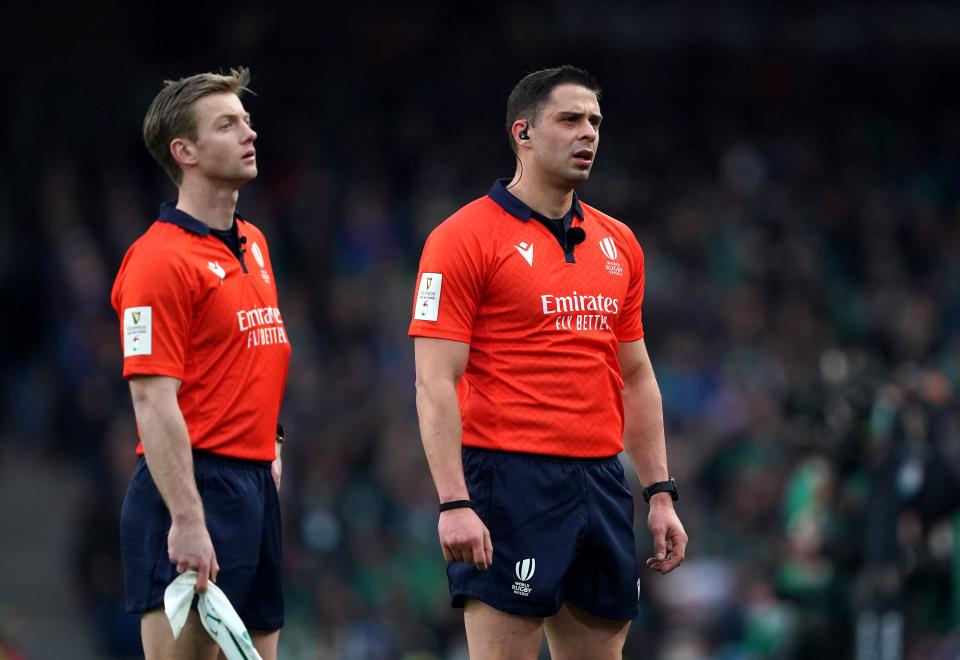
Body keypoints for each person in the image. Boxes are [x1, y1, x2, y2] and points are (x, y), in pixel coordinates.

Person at [409, 65, 687, 658]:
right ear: (523, 133)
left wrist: (659, 493)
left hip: (602, 478)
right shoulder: (461, 238)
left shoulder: (619, 243)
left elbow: (635, 375)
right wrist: (454, 502)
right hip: (509, 481)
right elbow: (435, 380)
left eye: (594, 121)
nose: (587, 133)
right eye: (569, 119)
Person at [110, 68, 291, 660]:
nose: (251, 133)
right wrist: (187, 519)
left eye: (247, 120)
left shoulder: (255, 243)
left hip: (254, 487)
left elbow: (248, 360)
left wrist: (275, 439)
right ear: (183, 151)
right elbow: (151, 399)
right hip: (192, 489)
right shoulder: (157, 261)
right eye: (228, 124)